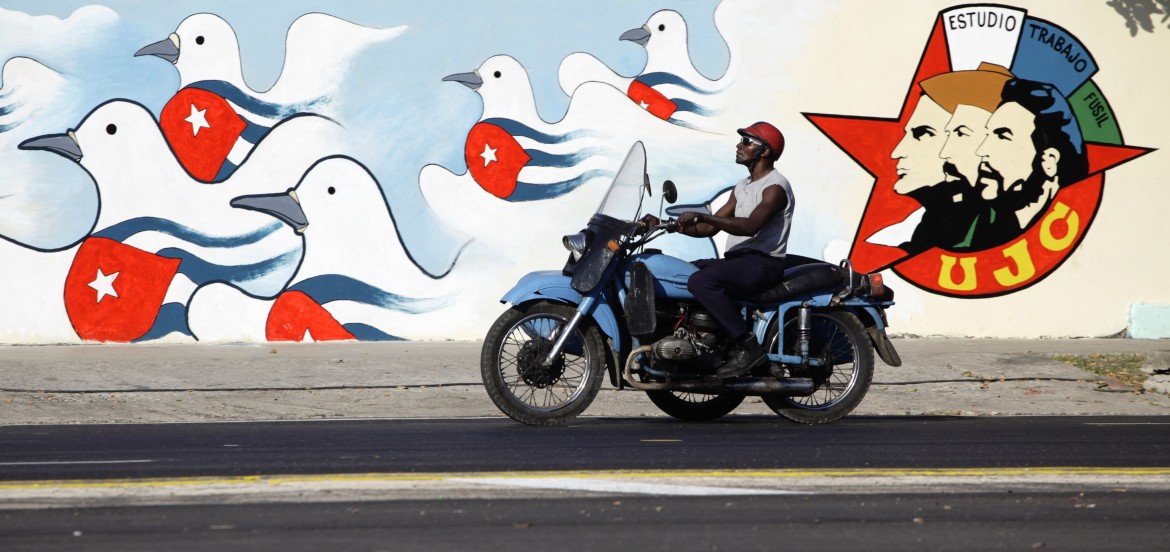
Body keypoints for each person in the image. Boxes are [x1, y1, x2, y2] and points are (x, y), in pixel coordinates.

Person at [644, 122, 794, 378]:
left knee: (702, 282)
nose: (739, 145)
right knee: (682, 272)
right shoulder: (743, 186)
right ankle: (699, 344)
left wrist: (706, 218)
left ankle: (748, 347)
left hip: (763, 264)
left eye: (747, 142)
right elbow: (706, 231)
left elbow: (750, 226)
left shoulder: (775, 187)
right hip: (738, 262)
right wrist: (664, 225)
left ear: (765, 151)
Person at [972, 78, 1089, 247]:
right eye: (987, 136)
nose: (981, 151)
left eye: (1002, 136)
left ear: (1049, 162)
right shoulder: (984, 235)